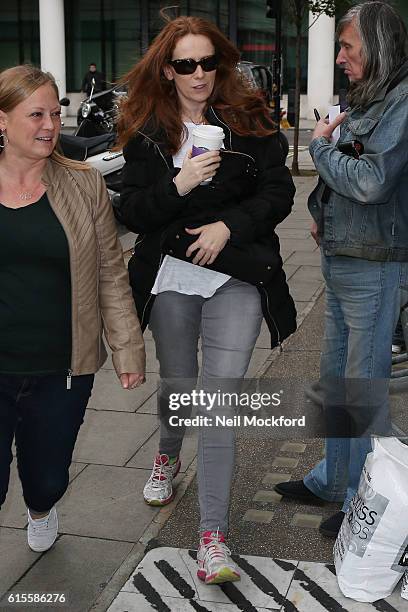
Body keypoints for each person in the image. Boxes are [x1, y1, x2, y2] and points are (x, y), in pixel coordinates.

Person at [116, 14, 296, 584]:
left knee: (219, 403)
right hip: (172, 276)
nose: (199, 74)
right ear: (168, 71)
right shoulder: (146, 130)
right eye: (186, 65)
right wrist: (181, 183)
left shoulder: (250, 120)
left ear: (221, 64)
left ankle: (212, 538)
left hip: (237, 276)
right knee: (179, 386)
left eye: (208, 62)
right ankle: (167, 452)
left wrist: (228, 226)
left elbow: (279, 191)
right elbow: (134, 213)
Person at [275, 1, 408, 538]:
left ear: (374, 46)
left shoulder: (401, 101)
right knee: (337, 381)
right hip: (345, 257)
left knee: (361, 388)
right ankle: (335, 478)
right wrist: (318, 214)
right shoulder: (372, 97)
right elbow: (352, 174)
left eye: (348, 46)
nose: (340, 56)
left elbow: (372, 182)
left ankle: (361, 502)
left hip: (373, 266)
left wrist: (318, 147)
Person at [0, 65, 145, 553]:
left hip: (62, 364)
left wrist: (127, 348)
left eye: (55, 112)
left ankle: (41, 508)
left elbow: (110, 271)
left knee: (45, 477)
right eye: (35, 113)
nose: (49, 124)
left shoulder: (83, 185)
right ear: (2, 120)